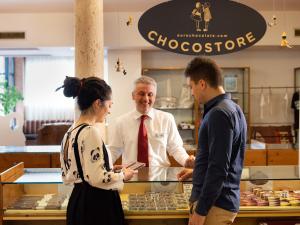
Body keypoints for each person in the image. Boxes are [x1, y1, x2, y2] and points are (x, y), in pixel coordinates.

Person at [177, 57, 247, 225]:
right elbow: (223, 160)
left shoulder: (218, 113)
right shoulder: (233, 108)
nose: (192, 92)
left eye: (191, 87)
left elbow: (219, 168)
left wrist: (200, 212)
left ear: (202, 84)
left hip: (214, 207)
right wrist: (198, 172)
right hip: (220, 202)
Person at [58, 76, 135, 225]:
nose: (110, 111)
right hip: (97, 206)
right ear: (98, 103)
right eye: (109, 105)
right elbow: (97, 178)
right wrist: (123, 175)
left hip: (77, 201)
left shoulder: (69, 132)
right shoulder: (90, 132)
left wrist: (110, 168)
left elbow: (68, 175)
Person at [109, 76, 194, 168]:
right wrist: (102, 168)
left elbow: (176, 148)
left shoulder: (167, 119)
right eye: (141, 94)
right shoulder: (121, 122)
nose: (146, 99)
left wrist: (186, 160)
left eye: (150, 94)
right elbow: (114, 150)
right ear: (133, 96)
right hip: (131, 178)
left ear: (155, 97)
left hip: (160, 177)